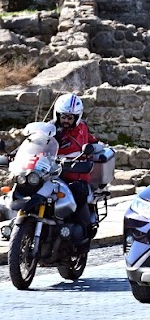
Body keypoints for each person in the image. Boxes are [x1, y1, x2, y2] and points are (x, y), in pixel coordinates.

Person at [52, 93, 98, 246]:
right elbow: (34, 140)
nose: (66, 121)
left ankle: (84, 236)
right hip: (53, 173)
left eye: (70, 118)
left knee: (79, 192)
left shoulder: (82, 128)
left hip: (76, 173)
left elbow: (91, 140)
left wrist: (97, 147)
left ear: (76, 117)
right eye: (63, 117)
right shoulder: (50, 129)